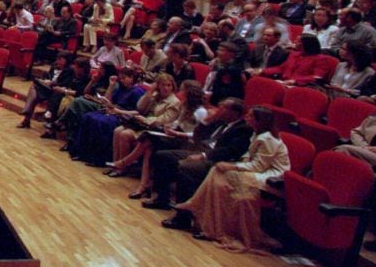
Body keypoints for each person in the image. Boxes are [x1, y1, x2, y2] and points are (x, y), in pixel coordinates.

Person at [174, 106, 290, 251]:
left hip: (270, 177)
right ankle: (208, 221)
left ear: (259, 121)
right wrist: (232, 165)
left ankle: (196, 204)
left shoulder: (267, 139)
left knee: (222, 173)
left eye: (250, 116)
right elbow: (248, 159)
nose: (246, 118)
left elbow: (258, 166)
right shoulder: (257, 134)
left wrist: (233, 167)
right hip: (257, 171)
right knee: (218, 169)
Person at [144, 98, 253, 215]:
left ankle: (182, 217)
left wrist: (203, 155)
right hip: (201, 151)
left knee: (186, 167)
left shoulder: (242, 129)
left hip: (215, 159)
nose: (219, 109)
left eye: (224, 107)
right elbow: (197, 137)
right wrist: (206, 121)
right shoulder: (219, 121)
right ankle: (162, 199)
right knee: (163, 156)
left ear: (235, 113)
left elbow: (230, 151)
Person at [103, 73, 182, 174]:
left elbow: (164, 120)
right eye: (163, 85)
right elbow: (140, 107)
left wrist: (144, 119)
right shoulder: (154, 95)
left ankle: (122, 168)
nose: (166, 88)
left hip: (154, 128)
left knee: (125, 134)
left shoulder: (174, 102)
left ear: (173, 86)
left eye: (168, 85)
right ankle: (115, 164)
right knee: (117, 130)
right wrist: (150, 93)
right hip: (141, 123)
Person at [66, 67, 146, 165]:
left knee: (101, 123)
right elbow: (108, 100)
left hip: (124, 116)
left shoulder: (137, 91)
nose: (122, 80)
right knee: (88, 117)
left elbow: (138, 111)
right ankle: (83, 153)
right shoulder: (121, 88)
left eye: (124, 78)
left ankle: (98, 158)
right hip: (113, 111)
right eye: (121, 78)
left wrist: (118, 111)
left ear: (132, 78)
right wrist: (111, 86)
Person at [18, 55, 89, 129]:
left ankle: (29, 114)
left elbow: (73, 88)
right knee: (34, 88)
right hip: (53, 89)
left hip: (60, 92)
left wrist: (58, 87)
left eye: (60, 59)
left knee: (45, 92)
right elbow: (51, 78)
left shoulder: (70, 71)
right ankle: (28, 115)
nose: (58, 61)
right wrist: (48, 82)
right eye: (57, 59)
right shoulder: (55, 67)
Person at [261, 33, 332, 86]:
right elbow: (281, 68)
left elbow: (317, 77)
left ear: (306, 44)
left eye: (298, 41)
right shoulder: (294, 54)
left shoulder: (321, 59)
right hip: (283, 82)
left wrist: (295, 81)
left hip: (301, 86)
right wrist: (262, 71)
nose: (294, 42)